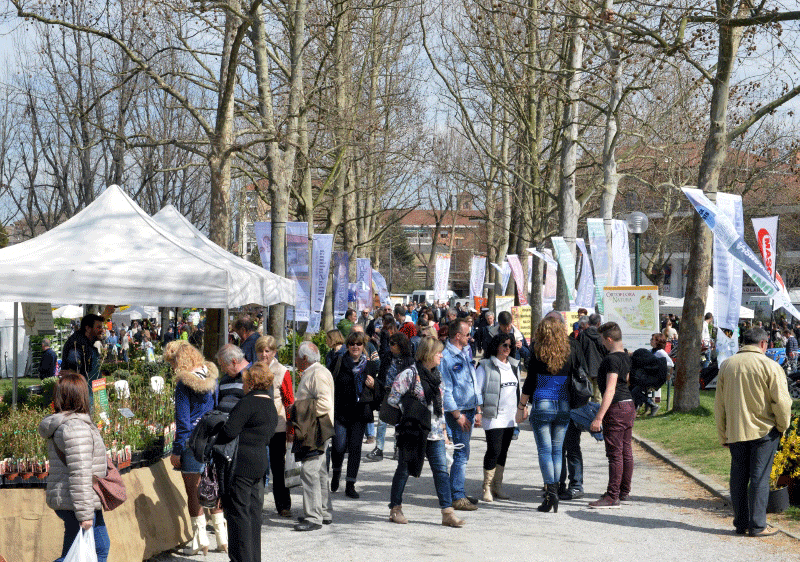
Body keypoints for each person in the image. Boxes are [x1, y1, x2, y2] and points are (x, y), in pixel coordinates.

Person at [715, 327, 792, 537]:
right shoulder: (770, 366)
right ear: (763, 344)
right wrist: (783, 426)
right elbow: (782, 402)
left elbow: (719, 404)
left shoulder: (727, 365)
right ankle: (758, 525)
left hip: (736, 430)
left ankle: (740, 523)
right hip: (764, 431)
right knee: (759, 478)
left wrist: (723, 433)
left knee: (738, 477)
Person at [387, 336, 465, 528]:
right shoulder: (409, 374)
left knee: (441, 472)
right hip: (414, 431)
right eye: (438, 352)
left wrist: (445, 433)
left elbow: (441, 408)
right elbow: (392, 399)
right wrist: (411, 410)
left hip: (435, 432)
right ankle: (395, 508)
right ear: (428, 354)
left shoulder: (438, 376)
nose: (441, 355)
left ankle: (447, 513)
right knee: (404, 470)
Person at [38, 373, 111, 562]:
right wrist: (85, 515)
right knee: (94, 551)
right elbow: (80, 473)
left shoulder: (68, 424)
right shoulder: (75, 428)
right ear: (81, 396)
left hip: (74, 500)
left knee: (92, 548)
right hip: (77, 502)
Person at [164, 340, 226, 555]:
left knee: (193, 492)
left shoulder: (184, 383)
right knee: (214, 486)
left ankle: (200, 541)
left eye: (172, 363)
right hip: (212, 438)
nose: (172, 367)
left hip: (192, 441)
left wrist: (177, 450)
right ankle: (222, 537)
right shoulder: (211, 377)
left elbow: (183, 421)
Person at [516, 315, 579, 513]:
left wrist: (521, 407)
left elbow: (530, 382)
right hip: (563, 404)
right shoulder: (570, 350)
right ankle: (557, 490)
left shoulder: (537, 351)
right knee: (557, 449)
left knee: (545, 450)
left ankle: (550, 492)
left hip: (542, 402)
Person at [215, 361, 277, 562]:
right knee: (254, 516)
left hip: (241, 464)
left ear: (250, 382)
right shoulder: (269, 404)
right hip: (260, 462)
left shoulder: (247, 402)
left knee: (238, 516)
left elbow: (229, 431)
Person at [588, 322, 634, 509]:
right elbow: (628, 380)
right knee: (626, 451)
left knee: (615, 454)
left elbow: (610, 389)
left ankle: (612, 496)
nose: (602, 343)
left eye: (602, 339)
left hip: (616, 407)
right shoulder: (626, 356)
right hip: (629, 405)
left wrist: (599, 417)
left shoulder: (611, 360)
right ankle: (623, 491)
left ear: (608, 339)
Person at [293, 342, 336, 531]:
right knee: (319, 471)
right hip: (317, 426)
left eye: (296, 356)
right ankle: (324, 512)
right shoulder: (317, 372)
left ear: (304, 358)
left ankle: (314, 517)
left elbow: (325, 404)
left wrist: (299, 410)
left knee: (309, 471)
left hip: (316, 428)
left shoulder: (317, 374)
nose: (294, 359)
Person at [440, 317, 482, 511]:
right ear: (457, 336)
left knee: (464, 452)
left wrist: (478, 407)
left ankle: (457, 492)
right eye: (467, 334)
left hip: (470, 408)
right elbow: (446, 391)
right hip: (459, 411)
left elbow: (472, 379)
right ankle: (457, 496)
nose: (470, 337)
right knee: (461, 454)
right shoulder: (446, 358)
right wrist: (457, 415)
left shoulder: (466, 351)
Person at [330, 330, 378, 498]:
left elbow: (379, 390)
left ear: (363, 346)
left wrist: (374, 386)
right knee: (338, 446)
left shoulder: (370, 366)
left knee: (355, 448)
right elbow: (329, 381)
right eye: (352, 344)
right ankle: (336, 473)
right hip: (341, 411)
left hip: (360, 413)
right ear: (347, 346)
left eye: (358, 344)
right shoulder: (339, 361)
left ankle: (350, 484)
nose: (355, 347)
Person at [475, 333, 519, 502]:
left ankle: (497, 485)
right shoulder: (485, 365)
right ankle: (486, 486)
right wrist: (478, 411)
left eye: (510, 345)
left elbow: (517, 390)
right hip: (493, 415)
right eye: (504, 345)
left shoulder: (514, 365)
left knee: (503, 452)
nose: (507, 348)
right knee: (494, 450)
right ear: (496, 346)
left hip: (510, 416)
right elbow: (477, 390)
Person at [255, 335, 295, 518]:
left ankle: (283, 504)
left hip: (277, 426)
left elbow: (289, 402)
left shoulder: (282, 372)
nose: (264, 355)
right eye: (261, 351)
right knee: (258, 467)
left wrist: (290, 428)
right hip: (256, 427)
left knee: (278, 468)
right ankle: (256, 503)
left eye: (267, 351)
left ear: (273, 352)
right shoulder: (252, 370)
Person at [368, 332, 415, 462]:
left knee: (399, 422)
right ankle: (379, 448)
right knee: (382, 421)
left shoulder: (409, 360)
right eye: (390, 343)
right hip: (387, 392)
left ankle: (398, 448)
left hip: (402, 394)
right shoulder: (387, 357)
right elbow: (382, 374)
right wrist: (379, 387)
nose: (390, 346)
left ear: (400, 345)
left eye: (393, 344)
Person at [61, 314, 104, 383]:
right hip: (81, 390)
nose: (102, 330)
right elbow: (72, 369)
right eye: (98, 327)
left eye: (102, 327)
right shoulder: (77, 344)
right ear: (88, 328)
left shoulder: (87, 342)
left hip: (94, 389)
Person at [216, 344, 249, 413]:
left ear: (234, 362)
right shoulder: (224, 379)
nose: (222, 370)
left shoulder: (255, 376)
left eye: (223, 366)